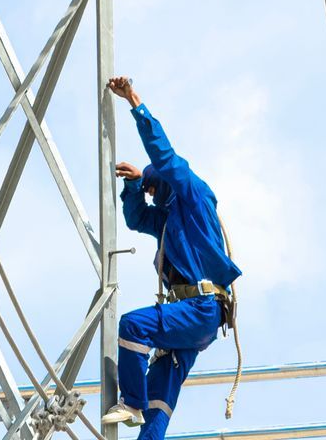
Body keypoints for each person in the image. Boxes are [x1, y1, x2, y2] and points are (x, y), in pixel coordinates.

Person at [100, 75, 241, 438]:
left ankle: (130, 401)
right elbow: (137, 219)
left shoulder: (192, 194)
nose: (150, 194)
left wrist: (134, 101)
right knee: (160, 397)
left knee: (133, 327)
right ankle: (143, 415)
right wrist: (133, 186)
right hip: (196, 319)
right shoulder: (168, 220)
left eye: (151, 187)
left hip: (202, 307)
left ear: (162, 182)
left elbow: (165, 157)